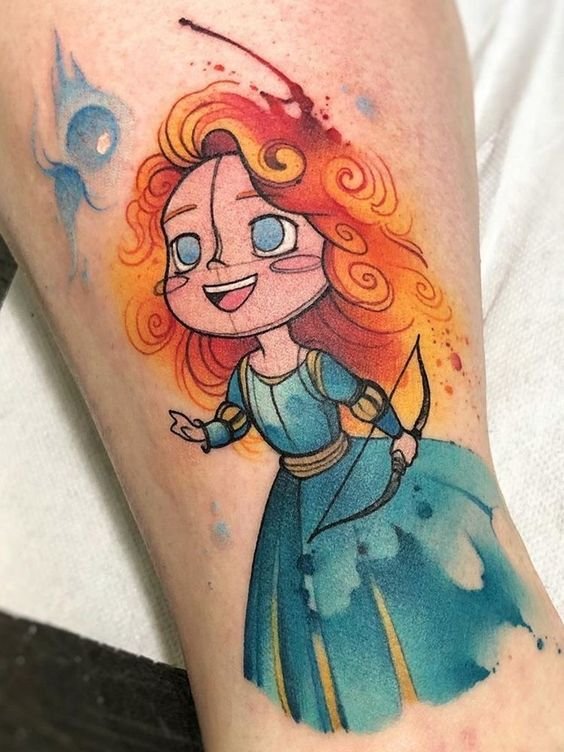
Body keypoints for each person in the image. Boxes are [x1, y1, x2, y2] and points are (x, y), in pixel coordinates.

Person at [1, 3, 562, 750]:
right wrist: (207, 431)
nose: (224, 269)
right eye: (187, 251)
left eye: (267, 231)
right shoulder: (246, 377)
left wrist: (398, 436)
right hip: (293, 501)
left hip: (360, 477)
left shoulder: (317, 365)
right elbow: (238, 419)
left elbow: (363, 396)